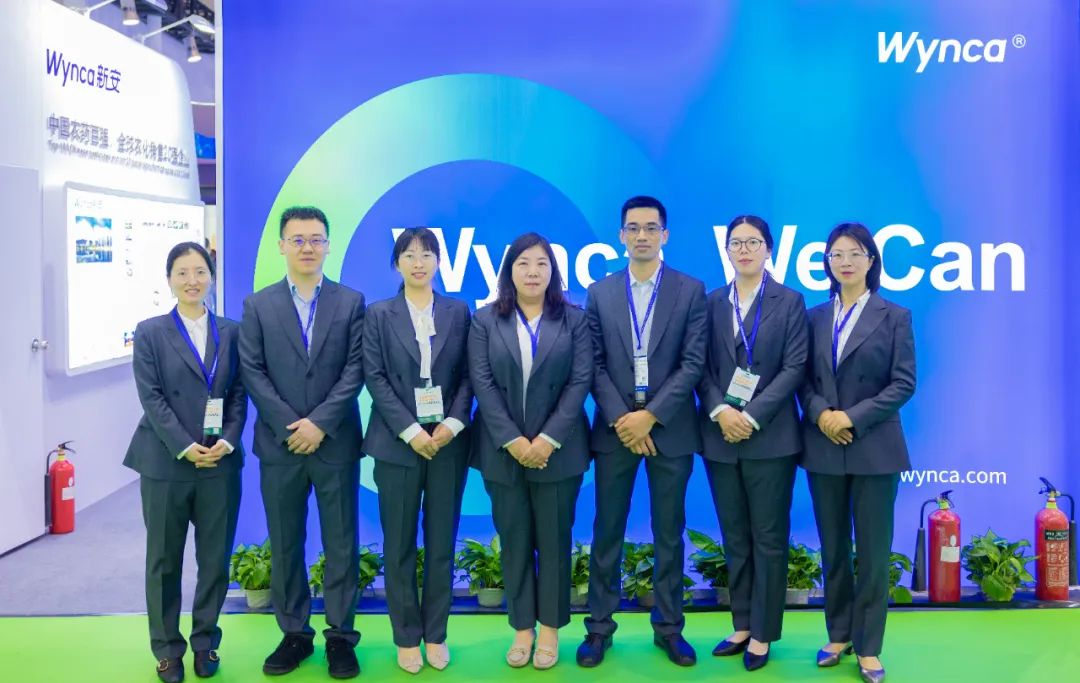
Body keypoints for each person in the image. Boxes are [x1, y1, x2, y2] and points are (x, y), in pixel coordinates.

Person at [577, 196, 707, 668]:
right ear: (621, 236)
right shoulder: (600, 292)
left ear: (665, 235)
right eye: (633, 228)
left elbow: (693, 362)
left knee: (668, 533)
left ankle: (669, 628)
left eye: (651, 228)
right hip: (615, 431)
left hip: (670, 430)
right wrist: (623, 419)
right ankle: (598, 629)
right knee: (607, 530)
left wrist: (649, 416)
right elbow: (591, 363)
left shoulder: (690, 290)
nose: (642, 236)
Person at [239, 206, 366, 679]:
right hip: (281, 445)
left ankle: (340, 637)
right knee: (286, 543)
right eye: (297, 239)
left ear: (328, 245)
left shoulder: (351, 302)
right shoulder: (258, 305)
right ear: (282, 246)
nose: (307, 247)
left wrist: (320, 424)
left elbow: (356, 368)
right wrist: (292, 425)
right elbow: (252, 371)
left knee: (341, 544)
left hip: (335, 443)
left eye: (316, 239)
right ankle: (294, 633)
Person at [468, 232, 593, 670]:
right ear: (509, 272)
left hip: (560, 451)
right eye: (523, 263)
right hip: (502, 452)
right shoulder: (485, 320)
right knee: (515, 542)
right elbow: (482, 383)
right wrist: (515, 441)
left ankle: (551, 630)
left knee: (555, 543)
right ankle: (522, 628)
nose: (533, 272)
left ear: (553, 272)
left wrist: (547, 440)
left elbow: (580, 381)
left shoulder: (574, 320)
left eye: (541, 263)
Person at [798, 222, 915, 683]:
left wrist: (851, 417)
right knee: (833, 548)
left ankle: (869, 647)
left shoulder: (895, 316)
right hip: (823, 444)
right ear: (827, 263)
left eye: (855, 253)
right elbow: (801, 379)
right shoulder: (813, 317)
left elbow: (903, 383)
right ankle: (839, 634)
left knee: (871, 551)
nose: (845, 262)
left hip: (874, 447)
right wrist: (823, 414)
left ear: (871, 260)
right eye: (836, 255)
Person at [124, 241, 246, 682]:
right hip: (165, 462)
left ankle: (206, 643)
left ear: (211, 277)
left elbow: (238, 394)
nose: (192, 280)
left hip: (219, 463)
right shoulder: (150, 332)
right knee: (164, 561)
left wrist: (227, 440)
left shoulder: (232, 331)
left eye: (200, 272)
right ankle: (167, 649)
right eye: (182, 272)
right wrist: (183, 444)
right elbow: (152, 397)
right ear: (169, 279)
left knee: (214, 560)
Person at [696, 215, 808, 671]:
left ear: (769, 249)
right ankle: (741, 623)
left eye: (753, 242)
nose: (744, 250)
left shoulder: (790, 301)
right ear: (726, 250)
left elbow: (795, 368)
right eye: (736, 243)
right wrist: (721, 411)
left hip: (771, 437)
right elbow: (698, 367)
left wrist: (752, 415)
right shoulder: (710, 303)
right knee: (735, 536)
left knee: (768, 538)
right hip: (720, 436)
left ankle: (763, 632)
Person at [362, 228, 472, 674]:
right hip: (397, 445)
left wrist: (450, 425)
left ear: (439, 262)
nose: (418, 262)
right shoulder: (378, 314)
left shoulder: (458, 311)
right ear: (397, 264)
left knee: (442, 544)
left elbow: (470, 376)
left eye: (427, 254)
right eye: (409, 255)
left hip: (448, 445)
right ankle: (406, 636)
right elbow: (375, 377)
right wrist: (410, 430)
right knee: (399, 545)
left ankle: (436, 634)